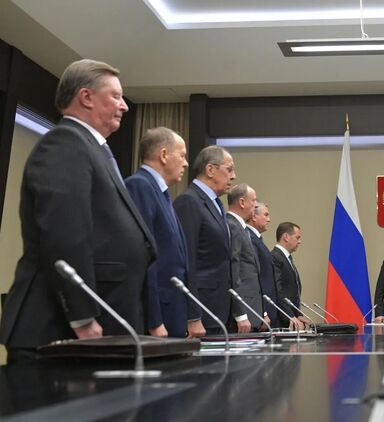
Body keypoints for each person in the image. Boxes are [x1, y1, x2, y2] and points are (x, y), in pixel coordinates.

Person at [0, 59, 156, 361]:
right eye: (116, 96)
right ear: (86, 97)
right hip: (58, 328)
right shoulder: (65, 143)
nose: (124, 106)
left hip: (95, 321)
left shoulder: (92, 148)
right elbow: (64, 232)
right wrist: (82, 314)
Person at [124, 127, 200, 338]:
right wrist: (154, 320)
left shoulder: (161, 192)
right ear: (164, 155)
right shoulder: (139, 186)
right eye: (182, 155)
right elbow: (143, 258)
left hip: (173, 309)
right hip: (158, 316)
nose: (186, 163)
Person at [174, 145, 236, 335]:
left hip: (219, 310)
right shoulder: (189, 202)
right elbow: (186, 262)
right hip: (202, 310)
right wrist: (193, 316)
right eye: (229, 169)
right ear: (210, 169)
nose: (233, 176)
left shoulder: (216, 204)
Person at [226, 184, 266, 331]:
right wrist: (241, 315)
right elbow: (234, 273)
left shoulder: (241, 228)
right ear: (242, 202)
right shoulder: (232, 226)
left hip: (251, 311)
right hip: (242, 315)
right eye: (253, 200)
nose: (256, 205)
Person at [271, 222, 311, 331]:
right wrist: (289, 315)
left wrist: (298, 314)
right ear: (286, 237)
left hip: (291, 319)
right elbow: (278, 290)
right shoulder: (275, 257)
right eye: (297, 237)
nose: (300, 241)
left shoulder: (286, 258)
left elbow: (292, 290)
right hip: (281, 320)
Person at [247, 202, 280, 327]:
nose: (269, 219)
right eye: (265, 215)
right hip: (260, 312)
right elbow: (256, 279)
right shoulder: (250, 239)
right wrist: (263, 312)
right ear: (254, 216)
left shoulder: (257, 239)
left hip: (267, 311)